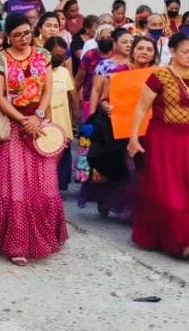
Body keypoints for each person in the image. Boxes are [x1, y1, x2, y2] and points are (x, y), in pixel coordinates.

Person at [0, 13, 67, 266]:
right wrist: (22, 120)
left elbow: (47, 89)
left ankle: (45, 235)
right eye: (17, 34)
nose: (23, 38)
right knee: (14, 186)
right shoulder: (0, 60)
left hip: (38, 123)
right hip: (12, 126)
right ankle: (17, 243)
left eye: (27, 33)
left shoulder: (43, 55)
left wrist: (39, 116)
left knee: (44, 183)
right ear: (7, 36)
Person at [80, 35, 155, 220]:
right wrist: (107, 107)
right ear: (133, 51)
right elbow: (104, 99)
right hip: (121, 128)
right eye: (140, 48)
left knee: (145, 168)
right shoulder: (119, 72)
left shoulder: (158, 74)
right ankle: (111, 199)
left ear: (154, 54)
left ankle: (141, 209)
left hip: (149, 129)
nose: (144, 52)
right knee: (121, 166)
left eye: (149, 49)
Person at [128, 33, 189, 257]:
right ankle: (179, 241)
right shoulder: (160, 75)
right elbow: (142, 108)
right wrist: (134, 137)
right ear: (172, 52)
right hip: (164, 139)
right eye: (185, 51)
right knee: (168, 192)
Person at [43, 36, 80, 191]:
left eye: (62, 56)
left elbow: (73, 96)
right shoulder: (41, 71)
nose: (59, 58)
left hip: (63, 120)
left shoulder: (64, 72)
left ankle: (55, 187)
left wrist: (76, 115)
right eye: (55, 55)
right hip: (46, 120)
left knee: (61, 155)